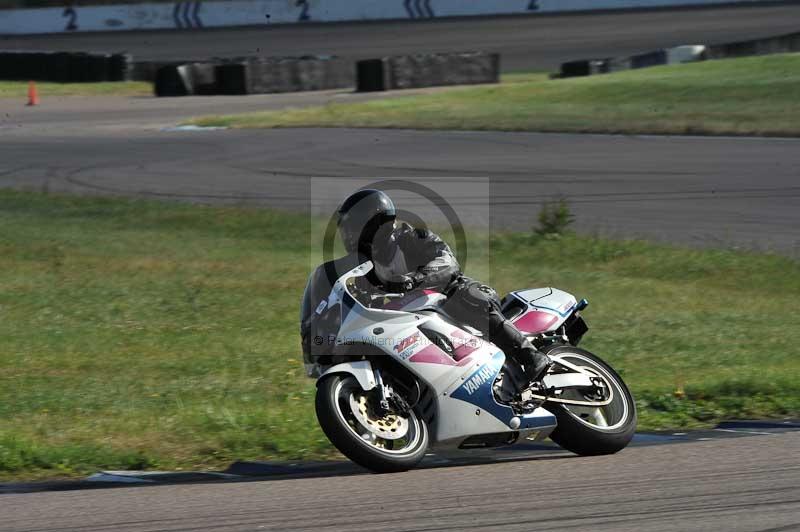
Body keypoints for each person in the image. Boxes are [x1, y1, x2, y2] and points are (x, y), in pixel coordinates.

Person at [301, 189, 551, 383]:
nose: (347, 235)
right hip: (404, 322)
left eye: (353, 227)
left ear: (377, 224)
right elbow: (338, 296)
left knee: (469, 295)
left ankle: (529, 355)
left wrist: (415, 279)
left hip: (443, 299)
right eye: (345, 229)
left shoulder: (412, 238)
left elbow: (446, 262)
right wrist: (316, 327)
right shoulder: (355, 268)